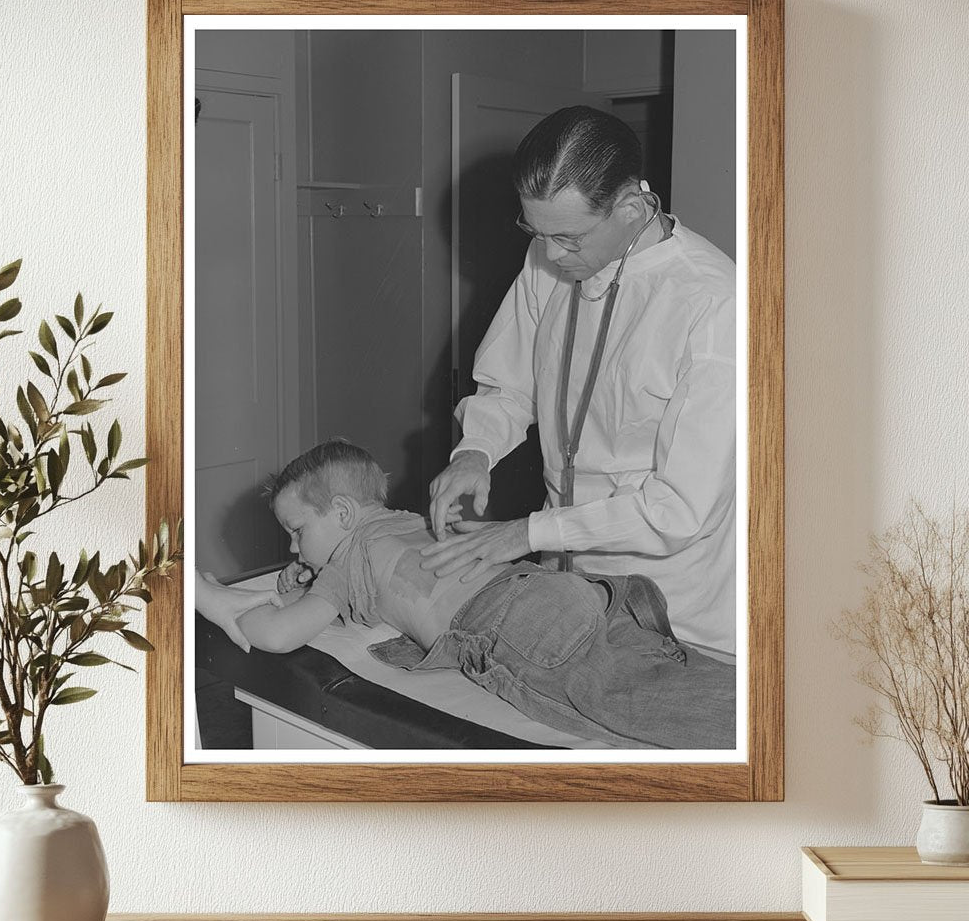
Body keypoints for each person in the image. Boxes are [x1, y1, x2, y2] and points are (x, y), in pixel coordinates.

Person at [422, 106, 736, 658]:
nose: (550, 255)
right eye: (535, 232)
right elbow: (509, 383)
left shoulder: (714, 305)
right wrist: (475, 451)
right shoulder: (550, 257)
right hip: (567, 580)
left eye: (568, 237)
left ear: (632, 208)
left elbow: (679, 509)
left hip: (673, 602)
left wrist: (525, 534)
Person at [195, 438, 734, 749]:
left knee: (646, 713)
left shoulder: (350, 555)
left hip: (517, 625)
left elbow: (282, 635)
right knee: (683, 687)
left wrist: (216, 602)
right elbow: (406, 584)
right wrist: (306, 582)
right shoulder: (407, 523)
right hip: (568, 590)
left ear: (341, 514)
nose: (292, 549)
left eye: (296, 532)